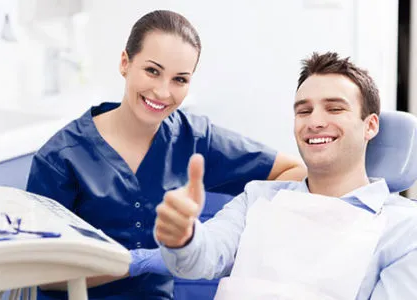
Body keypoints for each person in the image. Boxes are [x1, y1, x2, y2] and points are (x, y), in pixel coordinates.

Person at [26, 9, 306, 300]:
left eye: (180, 79)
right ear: (125, 63)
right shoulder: (61, 158)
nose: (162, 91)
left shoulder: (194, 138)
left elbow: (294, 173)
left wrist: (217, 236)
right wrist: (136, 262)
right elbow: (45, 276)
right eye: (152, 71)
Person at [155, 52, 417, 299]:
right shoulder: (258, 198)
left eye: (334, 108)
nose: (315, 122)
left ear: (370, 126)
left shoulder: (412, 231)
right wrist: (184, 236)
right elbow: (200, 259)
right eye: (303, 111)